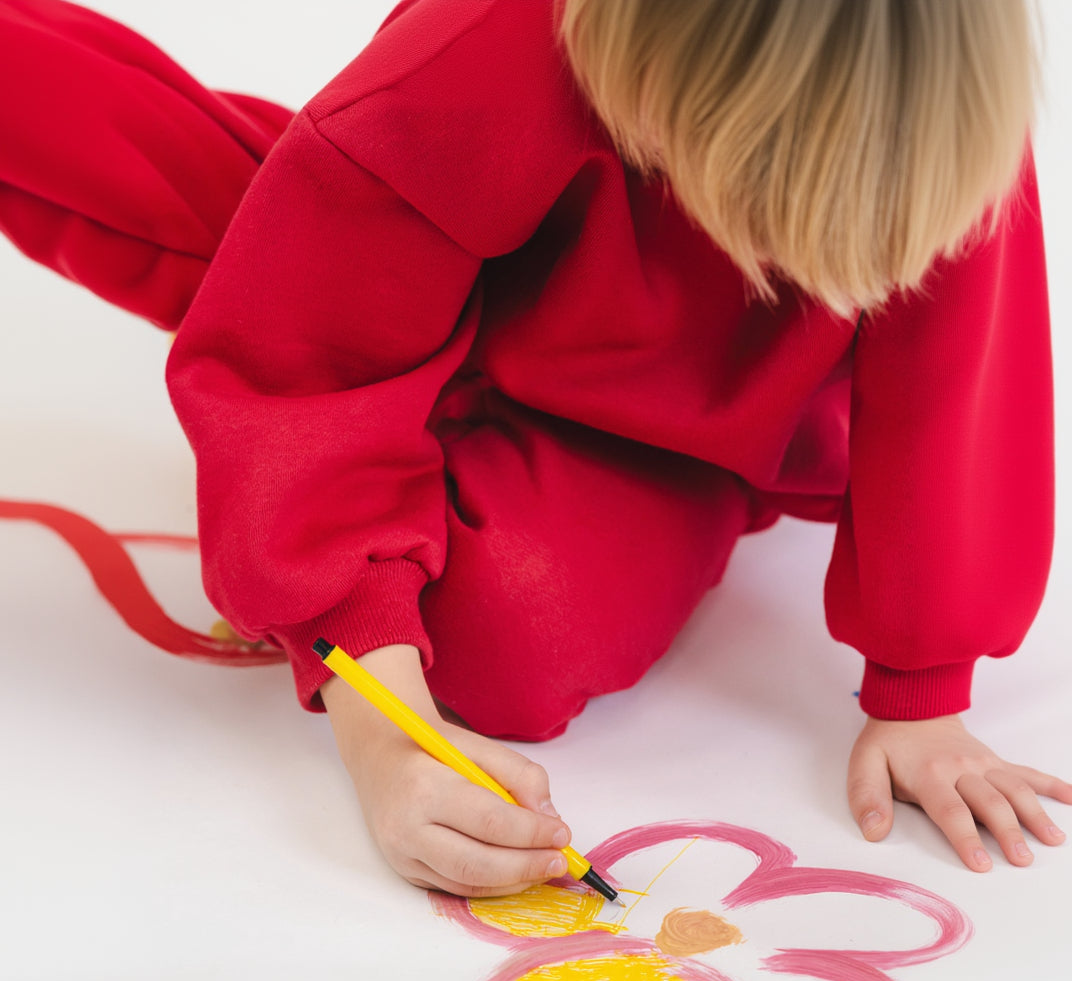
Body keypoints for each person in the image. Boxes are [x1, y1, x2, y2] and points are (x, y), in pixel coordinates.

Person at [3, 0, 1070, 898]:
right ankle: (361, 372)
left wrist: (923, 686)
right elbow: (311, 341)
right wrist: (374, 702)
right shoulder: (495, 41)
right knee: (111, 149)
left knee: (505, 637)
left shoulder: (938, 114)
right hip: (464, 286)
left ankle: (363, 380)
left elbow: (958, 394)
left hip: (669, 433)